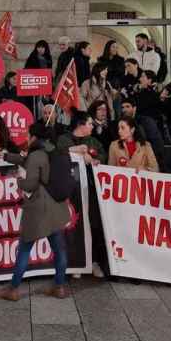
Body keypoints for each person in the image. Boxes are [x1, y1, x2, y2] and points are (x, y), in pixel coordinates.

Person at [0, 124, 71, 301]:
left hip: (39, 209)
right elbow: (27, 160)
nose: (26, 137)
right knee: (59, 249)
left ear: (35, 137)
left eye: (28, 134)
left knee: (24, 249)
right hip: (56, 208)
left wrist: (18, 180)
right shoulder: (54, 150)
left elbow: (29, 184)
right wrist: (6, 156)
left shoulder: (37, 155)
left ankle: (13, 289)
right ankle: (59, 287)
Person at [57, 112, 107, 278]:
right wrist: (74, 150)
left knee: (92, 225)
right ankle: (76, 263)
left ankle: (93, 262)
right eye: (90, 123)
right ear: (80, 124)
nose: (92, 126)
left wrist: (96, 160)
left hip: (90, 191)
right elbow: (57, 153)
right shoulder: (64, 139)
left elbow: (103, 155)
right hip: (70, 193)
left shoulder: (93, 141)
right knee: (73, 227)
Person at [120, 98, 167, 171]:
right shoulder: (119, 124)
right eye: (122, 107)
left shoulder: (146, 122)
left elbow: (157, 144)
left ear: (134, 108)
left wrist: (155, 165)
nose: (124, 110)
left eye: (127, 106)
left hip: (146, 163)